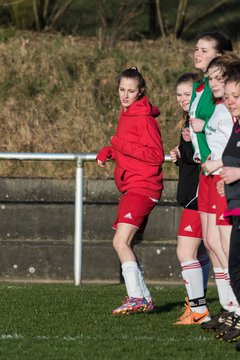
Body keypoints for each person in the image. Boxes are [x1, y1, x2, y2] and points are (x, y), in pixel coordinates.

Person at [96, 66, 164, 315]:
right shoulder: (126, 114)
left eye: (131, 91)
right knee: (125, 242)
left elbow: (156, 156)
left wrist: (119, 144)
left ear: (140, 92)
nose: (125, 95)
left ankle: (136, 297)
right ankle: (144, 297)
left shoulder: (144, 119)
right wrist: (109, 151)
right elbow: (130, 149)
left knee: (120, 241)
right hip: (131, 187)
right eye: (122, 90)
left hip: (143, 187)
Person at [189, 31, 234, 318]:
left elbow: (225, 135)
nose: (197, 53)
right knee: (211, 242)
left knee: (223, 245)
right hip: (208, 171)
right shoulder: (204, 90)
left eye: (204, 50)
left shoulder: (224, 102)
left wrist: (202, 129)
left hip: (222, 175)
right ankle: (230, 308)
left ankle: (234, 308)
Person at [200, 54, 239, 331]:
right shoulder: (221, 108)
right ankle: (230, 308)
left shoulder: (230, 112)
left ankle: (234, 310)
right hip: (220, 181)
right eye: (211, 78)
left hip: (226, 184)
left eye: (218, 78)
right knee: (218, 246)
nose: (214, 84)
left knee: (228, 252)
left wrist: (225, 167)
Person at [170, 72, 210, 325]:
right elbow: (192, 158)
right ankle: (197, 306)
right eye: (179, 95)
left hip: (198, 195)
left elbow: (205, 153)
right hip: (193, 194)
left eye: (188, 94)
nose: (184, 99)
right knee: (206, 253)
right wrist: (180, 153)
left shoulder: (200, 119)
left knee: (185, 251)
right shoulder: (187, 122)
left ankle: (198, 310)